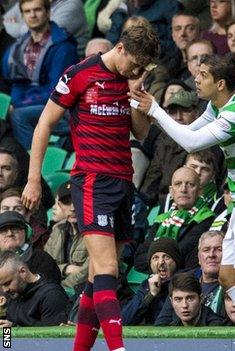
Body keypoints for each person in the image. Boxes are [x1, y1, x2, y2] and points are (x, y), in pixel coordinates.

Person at [21, 25, 160, 351]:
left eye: (143, 69)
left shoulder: (131, 78)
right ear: (121, 49)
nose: (137, 72)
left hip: (123, 183)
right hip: (92, 182)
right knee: (109, 269)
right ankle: (118, 347)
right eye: (136, 65)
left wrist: (139, 101)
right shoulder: (80, 74)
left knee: (97, 277)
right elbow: (44, 124)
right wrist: (32, 178)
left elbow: (139, 134)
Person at [130, 54, 235, 351]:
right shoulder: (219, 103)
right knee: (225, 275)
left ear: (220, 83)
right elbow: (191, 132)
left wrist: (156, 110)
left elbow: (193, 144)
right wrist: (152, 111)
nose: (195, 79)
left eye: (203, 75)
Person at [2, 0, 78, 151]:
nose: (33, 15)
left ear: (48, 12)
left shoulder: (62, 45)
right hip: (29, 104)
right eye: (27, 11)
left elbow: (57, 91)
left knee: (19, 116)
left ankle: (33, 165)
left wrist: (18, 104)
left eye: (37, 10)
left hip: (59, 108)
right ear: (22, 16)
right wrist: (15, 101)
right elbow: (16, 82)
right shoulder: (19, 46)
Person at [122, 238, 182, 325]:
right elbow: (125, 321)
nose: (161, 262)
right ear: (150, 264)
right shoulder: (146, 285)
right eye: (155, 258)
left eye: (166, 257)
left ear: (176, 262)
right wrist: (150, 294)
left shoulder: (183, 284)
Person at [0, 250, 67, 327]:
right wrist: (6, 331)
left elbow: (54, 336)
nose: (5, 290)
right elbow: (8, 337)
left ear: (23, 272)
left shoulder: (52, 295)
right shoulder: (13, 294)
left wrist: (14, 328)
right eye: (1, 285)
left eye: (7, 283)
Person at [43, 181, 88, 291]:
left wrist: (57, 289)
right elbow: (44, 266)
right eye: (67, 202)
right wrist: (66, 268)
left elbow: (89, 273)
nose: (72, 208)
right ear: (59, 205)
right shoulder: (57, 229)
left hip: (85, 292)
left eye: (77, 201)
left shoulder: (97, 231)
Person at [0, 211, 61, 284]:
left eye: (15, 229)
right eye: (3, 230)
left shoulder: (43, 260)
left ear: (27, 233)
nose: (10, 233)